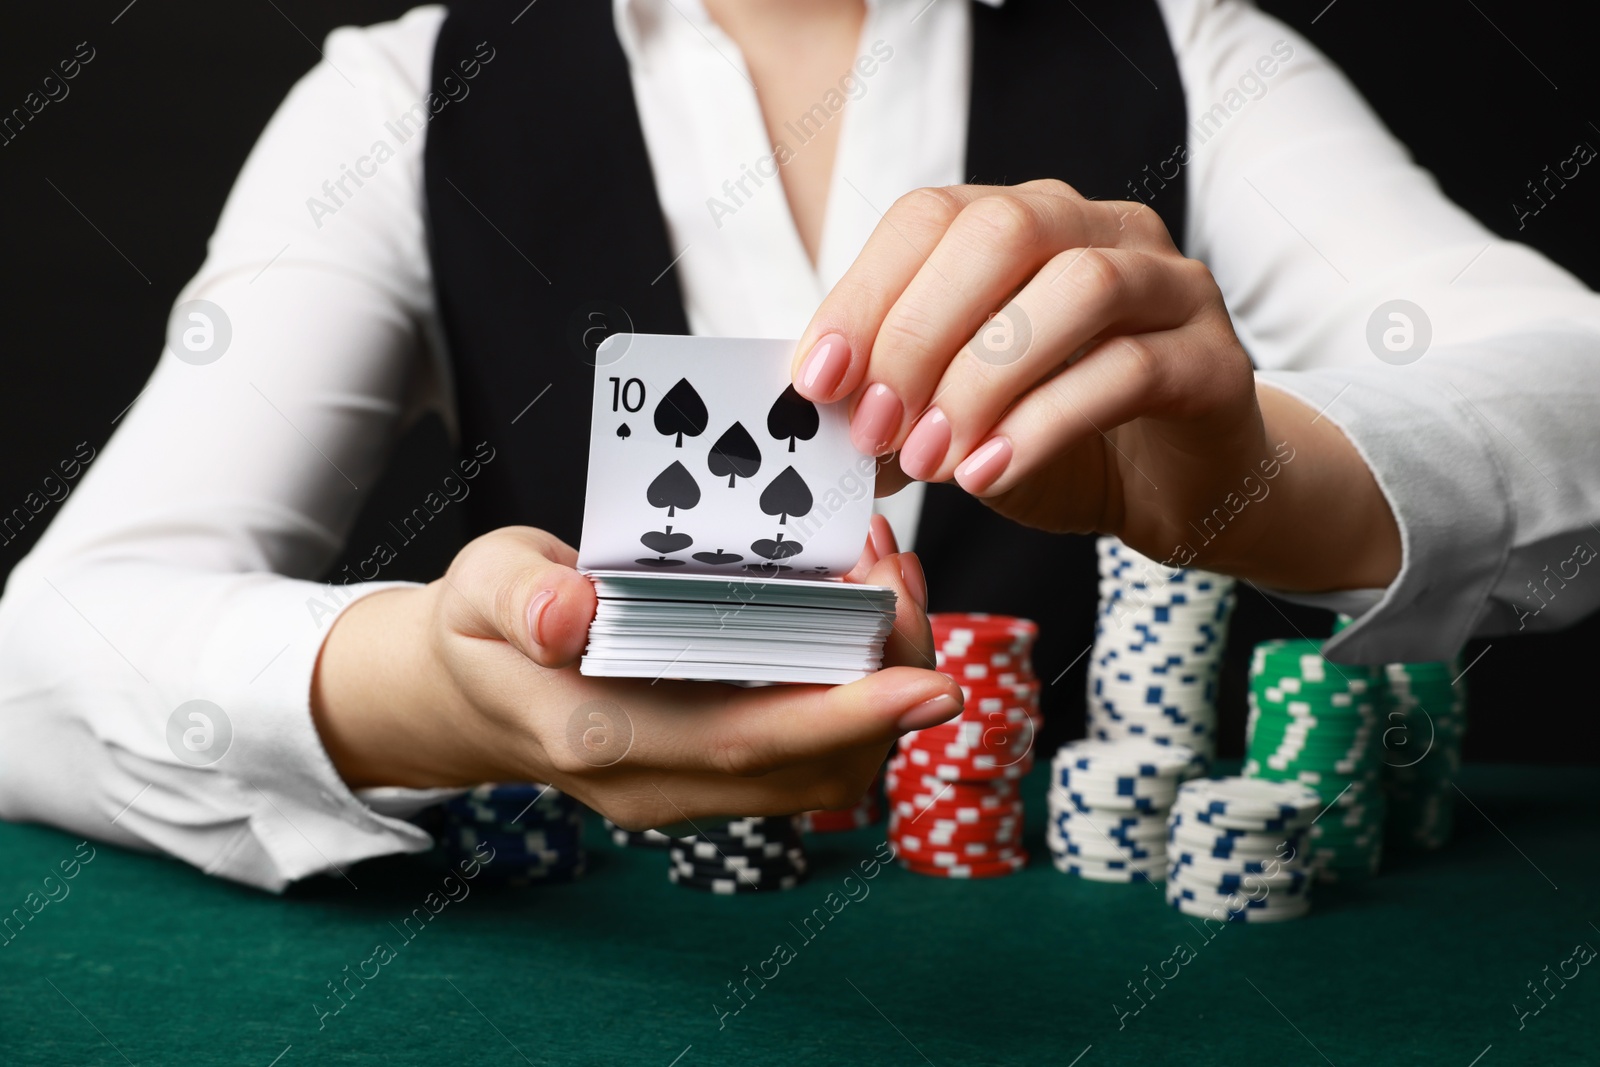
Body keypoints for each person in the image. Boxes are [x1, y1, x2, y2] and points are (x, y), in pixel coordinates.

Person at [2, 0, 1598, 893]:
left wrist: (1259, 479)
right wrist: (439, 682)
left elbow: (1575, 384)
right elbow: (39, 662)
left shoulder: (1195, 55)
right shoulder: (403, 98)